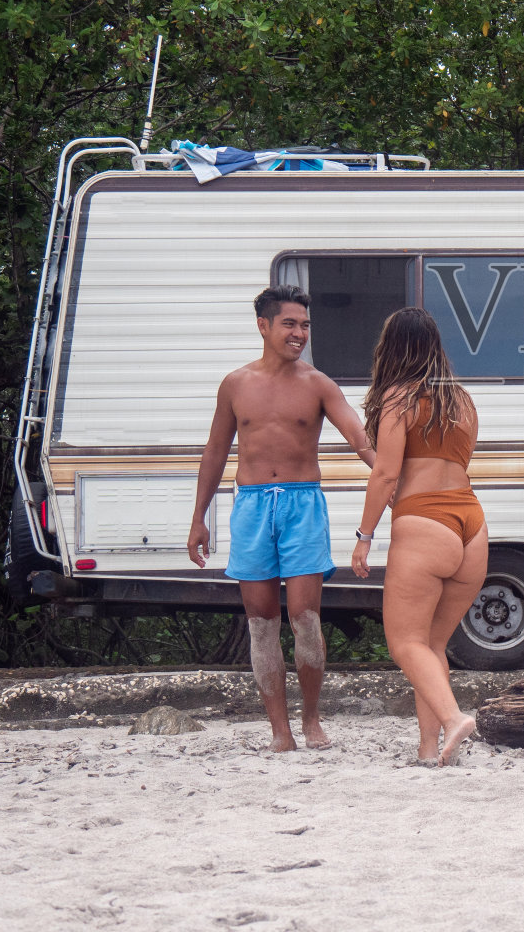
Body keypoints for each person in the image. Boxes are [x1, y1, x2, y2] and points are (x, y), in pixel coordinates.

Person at [187, 284, 377, 752]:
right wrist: (199, 518)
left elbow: (359, 435)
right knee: (261, 621)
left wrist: (388, 478)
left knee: (305, 619)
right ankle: (280, 731)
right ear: (264, 326)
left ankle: (311, 720)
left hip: (302, 504)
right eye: (290, 324)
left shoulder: (318, 384)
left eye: (305, 325)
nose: (299, 333)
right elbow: (215, 451)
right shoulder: (236, 384)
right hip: (251, 505)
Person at [351, 307, 487, 766]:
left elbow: (386, 473)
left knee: (405, 644)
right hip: (471, 524)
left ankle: (453, 720)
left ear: (391, 348)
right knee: (431, 646)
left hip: (425, 523)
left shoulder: (398, 398)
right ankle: (430, 750)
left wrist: (364, 534)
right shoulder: (462, 400)